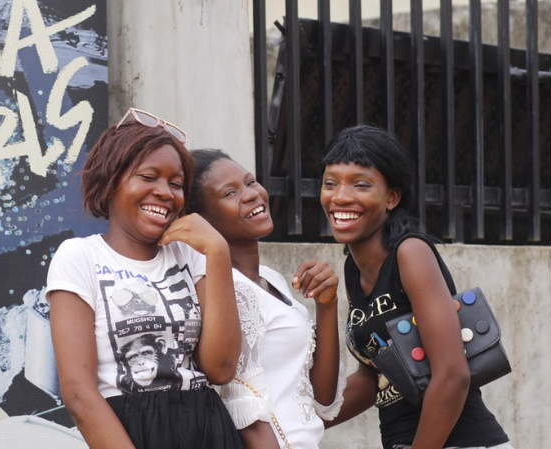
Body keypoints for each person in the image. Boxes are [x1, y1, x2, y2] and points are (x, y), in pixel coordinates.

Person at [46, 108, 243, 449]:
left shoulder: (191, 254)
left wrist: (218, 251)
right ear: (110, 180)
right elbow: (78, 394)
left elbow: (221, 369)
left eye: (176, 183)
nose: (166, 192)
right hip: (129, 432)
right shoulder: (79, 257)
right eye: (149, 177)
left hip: (209, 430)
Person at [320, 125, 511, 449]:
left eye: (361, 184)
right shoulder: (355, 268)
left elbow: (453, 375)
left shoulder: (410, 253)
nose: (340, 196)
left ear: (391, 197)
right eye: (330, 183)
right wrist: (296, 421)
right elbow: (374, 378)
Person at [186, 149, 345, 449]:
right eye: (230, 192)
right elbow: (241, 400)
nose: (251, 195)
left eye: (251, 182)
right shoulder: (225, 288)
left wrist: (327, 305)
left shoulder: (272, 279)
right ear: (201, 220)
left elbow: (321, 398)